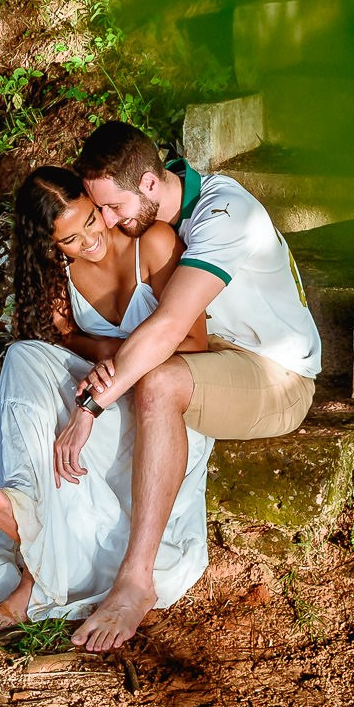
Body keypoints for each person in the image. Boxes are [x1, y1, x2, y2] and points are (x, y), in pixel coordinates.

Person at [0, 166, 215, 631]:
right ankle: (23, 510)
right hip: (101, 390)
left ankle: (28, 567)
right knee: (24, 358)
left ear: (98, 202)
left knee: (61, 408)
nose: (90, 240)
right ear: (51, 244)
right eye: (70, 239)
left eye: (92, 219)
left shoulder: (152, 244)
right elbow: (67, 339)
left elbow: (193, 344)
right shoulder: (60, 270)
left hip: (157, 404)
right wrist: (104, 360)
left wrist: (120, 363)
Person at [55, 120, 321, 652]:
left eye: (111, 209)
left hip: (276, 376)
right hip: (213, 361)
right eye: (98, 209)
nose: (106, 222)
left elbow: (171, 327)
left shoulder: (224, 214)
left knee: (154, 383)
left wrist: (91, 407)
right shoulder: (157, 213)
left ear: (150, 185)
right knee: (93, 371)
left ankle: (136, 580)